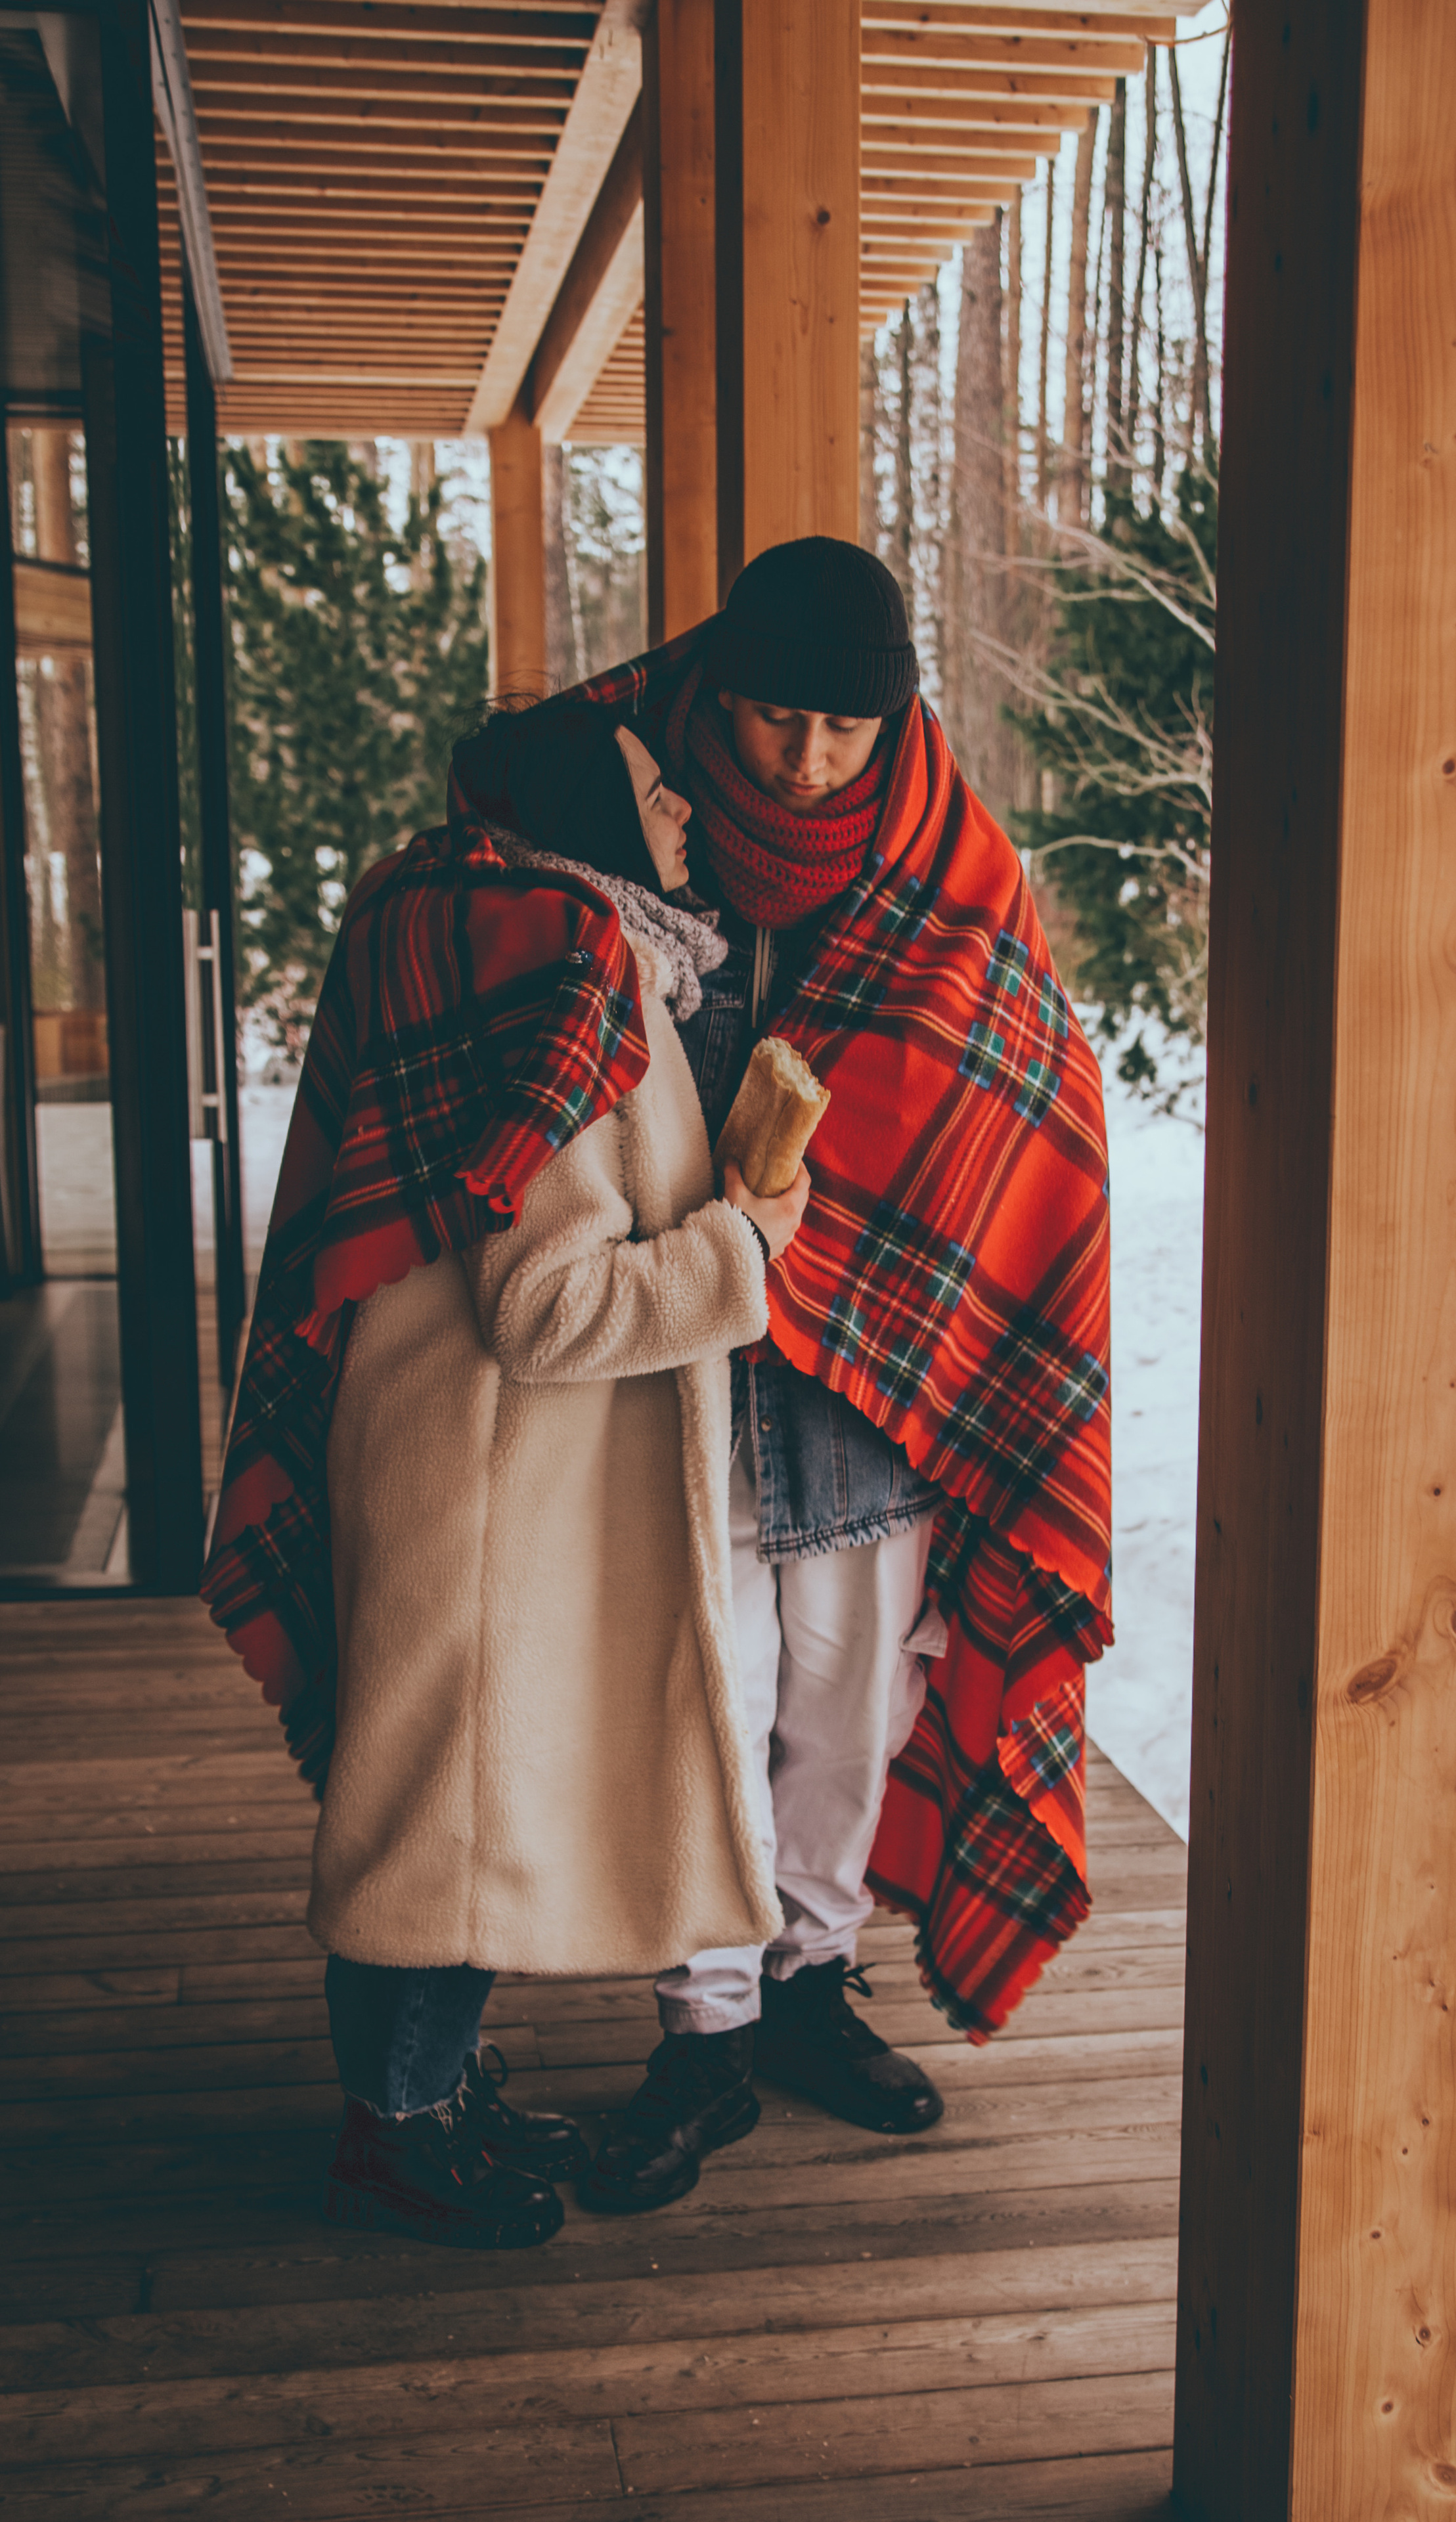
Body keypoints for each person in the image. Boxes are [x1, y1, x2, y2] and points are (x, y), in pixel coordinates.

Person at [467, 539, 1114, 2217]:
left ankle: (812, 1984)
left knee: (848, 1700)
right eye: (775, 718)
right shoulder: (619, 824)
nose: (809, 760)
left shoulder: (946, 853)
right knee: (703, 1694)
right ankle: (704, 2033)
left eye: (844, 727)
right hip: (672, 1345)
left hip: (872, 1366)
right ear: (716, 694)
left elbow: (1017, 1083)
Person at [205, 710, 809, 2247]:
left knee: (445, 1801)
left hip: (454, 1468)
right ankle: (394, 2133)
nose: (685, 815)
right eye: (657, 794)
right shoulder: (568, 972)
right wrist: (743, 1245)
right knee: (442, 1827)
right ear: (591, 813)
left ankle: (434, 2094)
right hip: (492, 1492)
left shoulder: (478, 928)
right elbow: (547, 1309)